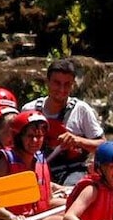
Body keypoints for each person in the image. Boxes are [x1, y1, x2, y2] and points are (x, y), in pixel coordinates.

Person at [0, 110, 67, 220]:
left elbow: (48, 201)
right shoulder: (5, 161)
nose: (35, 140)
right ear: (18, 137)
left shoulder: (40, 160)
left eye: (39, 136)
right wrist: (12, 217)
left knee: (74, 214)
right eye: (30, 136)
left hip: (36, 219)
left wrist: (72, 202)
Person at [22, 58, 105, 186]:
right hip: (35, 169)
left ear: (72, 85)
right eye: (57, 83)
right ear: (47, 82)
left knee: (72, 188)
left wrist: (78, 141)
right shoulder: (29, 109)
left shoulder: (81, 110)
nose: (62, 89)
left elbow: (103, 146)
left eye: (67, 84)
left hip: (73, 171)